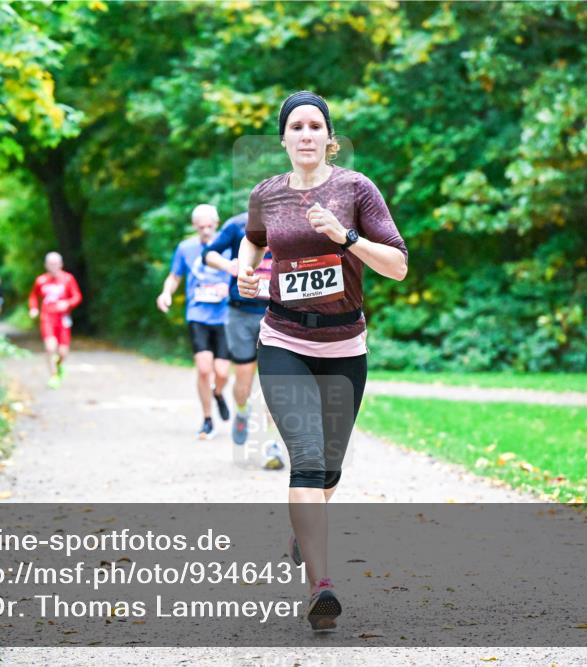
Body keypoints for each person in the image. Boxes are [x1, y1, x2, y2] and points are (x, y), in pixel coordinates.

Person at [236, 91, 407, 631]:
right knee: (307, 461)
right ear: (283, 138)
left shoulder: (356, 189)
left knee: (329, 469)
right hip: (283, 338)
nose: (306, 134)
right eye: (296, 126)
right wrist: (247, 274)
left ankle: (301, 530)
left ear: (328, 137)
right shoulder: (266, 194)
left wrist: (347, 237)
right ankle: (321, 588)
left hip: (344, 345)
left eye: (315, 126)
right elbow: (253, 243)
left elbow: (399, 266)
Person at [202, 212, 285, 469]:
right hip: (241, 313)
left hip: (276, 312)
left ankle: (272, 445)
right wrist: (229, 266)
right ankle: (241, 410)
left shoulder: (289, 221)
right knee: (244, 381)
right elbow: (209, 253)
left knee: (275, 382)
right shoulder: (237, 225)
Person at [156, 204, 233, 440]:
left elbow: (244, 271)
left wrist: (228, 286)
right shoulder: (186, 248)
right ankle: (207, 419)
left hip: (224, 316)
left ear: (217, 224)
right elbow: (174, 275)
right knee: (203, 369)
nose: (206, 231)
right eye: (201, 227)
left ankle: (218, 393)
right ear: (194, 226)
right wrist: (166, 292)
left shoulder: (230, 244)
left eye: (210, 226)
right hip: (197, 315)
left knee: (222, 372)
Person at [28, 252, 82, 389]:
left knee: (63, 352)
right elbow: (33, 296)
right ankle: (53, 376)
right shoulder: (41, 280)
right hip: (47, 318)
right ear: (46, 265)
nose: (53, 266)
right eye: (50, 264)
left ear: (61, 264)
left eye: (56, 263)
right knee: (50, 347)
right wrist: (33, 308)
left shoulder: (68, 279)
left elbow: (77, 296)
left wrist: (68, 304)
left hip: (63, 319)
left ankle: (59, 366)